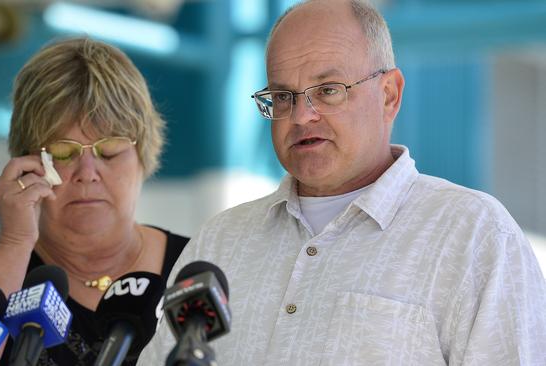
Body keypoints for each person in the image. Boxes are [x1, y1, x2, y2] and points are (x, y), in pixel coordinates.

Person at [138, 0, 546, 365]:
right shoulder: (221, 243)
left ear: (389, 95)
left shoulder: (473, 235)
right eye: (282, 97)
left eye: (329, 91)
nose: (301, 116)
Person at [0, 37, 188, 366]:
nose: (88, 173)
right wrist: (15, 242)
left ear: (143, 156)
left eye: (110, 149)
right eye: (63, 152)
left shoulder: (196, 264)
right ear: (28, 163)